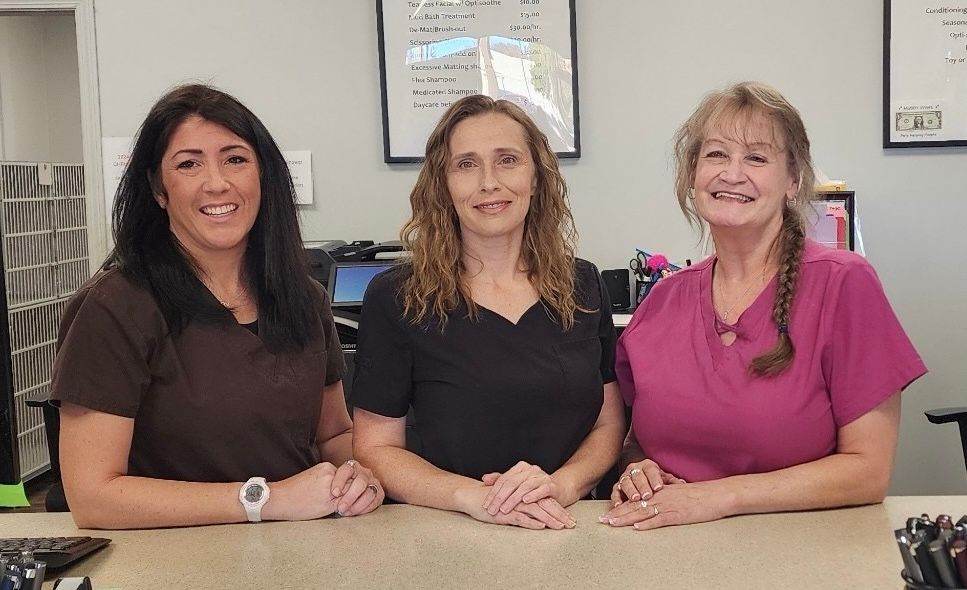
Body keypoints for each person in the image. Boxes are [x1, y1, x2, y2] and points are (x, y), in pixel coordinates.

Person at [51, 84, 384, 529]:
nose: (216, 182)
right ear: (158, 188)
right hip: (174, 563)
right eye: (188, 164)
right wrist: (265, 500)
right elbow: (93, 497)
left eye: (235, 159)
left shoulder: (304, 298)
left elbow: (333, 435)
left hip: (302, 552)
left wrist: (360, 475)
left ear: (263, 174)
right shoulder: (115, 306)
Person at [602, 81, 926, 530]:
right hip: (667, 548)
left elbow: (867, 471)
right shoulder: (663, 300)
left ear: (793, 180)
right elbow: (638, 440)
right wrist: (635, 469)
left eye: (756, 157)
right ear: (691, 173)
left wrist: (716, 498)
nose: (732, 173)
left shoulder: (844, 284)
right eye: (716, 154)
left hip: (800, 551)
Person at [352, 95, 624, 530]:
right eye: (466, 164)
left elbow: (609, 422)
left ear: (536, 177)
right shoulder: (398, 297)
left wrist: (562, 486)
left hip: (570, 525)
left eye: (508, 160)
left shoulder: (583, 284)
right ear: (443, 184)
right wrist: (475, 498)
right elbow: (376, 448)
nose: (489, 182)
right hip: (451, 529)